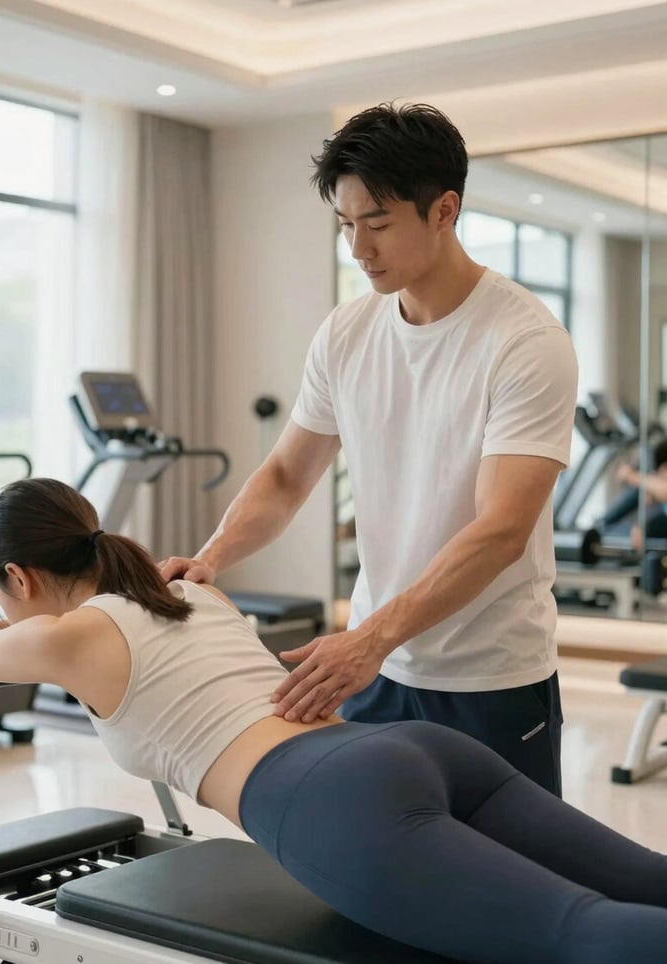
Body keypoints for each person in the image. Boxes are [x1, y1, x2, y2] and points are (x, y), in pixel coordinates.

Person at [0, 477, 666, 964]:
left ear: (21, 578)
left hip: (330, 806)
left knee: (578, 935)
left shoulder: (68, 639)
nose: (1, 617)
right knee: (643, 884)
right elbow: (19, 634)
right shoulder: (191, 594)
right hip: (405, 748)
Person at [160, 103, 579, 796]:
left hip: (489, 674)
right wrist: (211, 559)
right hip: (374, 669)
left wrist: (371, 638)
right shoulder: (346, 332)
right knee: (383, 871)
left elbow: (502, 530)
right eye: (347, 225)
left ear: (444, 211)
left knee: (509, 886)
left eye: (378, 223)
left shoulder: (525, 341)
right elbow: (288, 474)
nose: (359, 248)